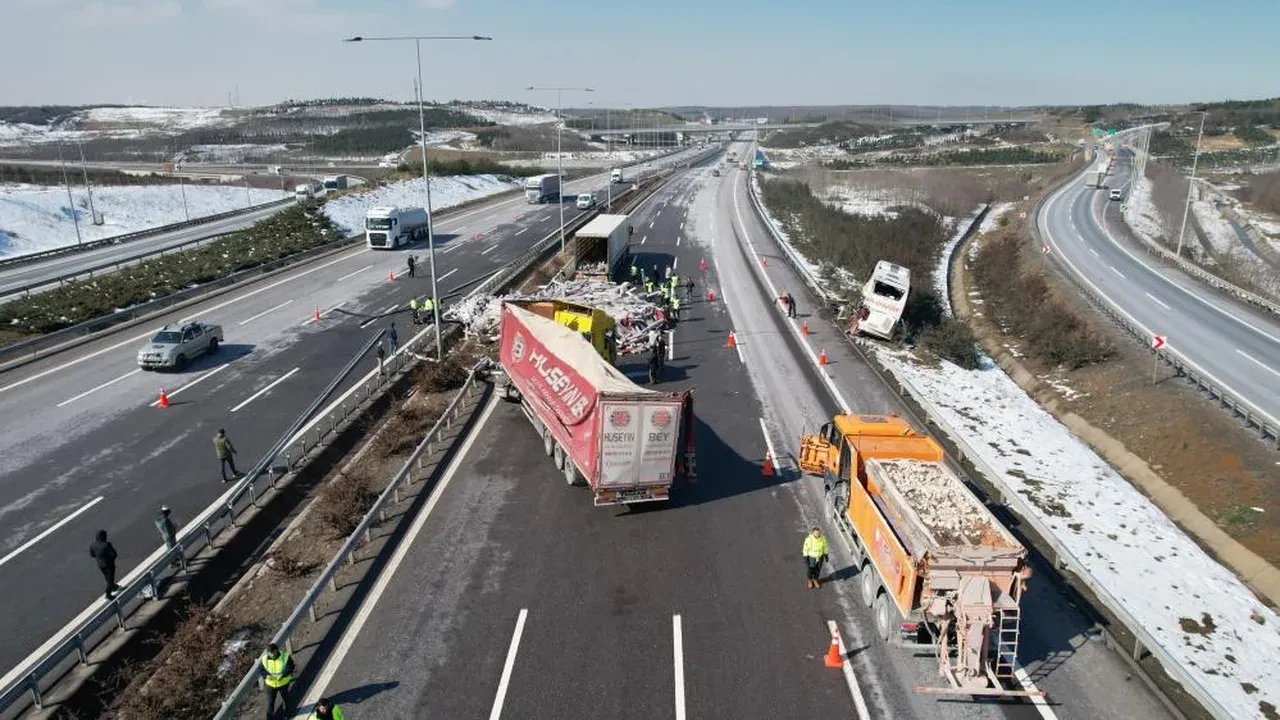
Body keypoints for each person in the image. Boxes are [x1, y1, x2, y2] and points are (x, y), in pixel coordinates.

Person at [258, 642, 295, 720]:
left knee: (286, 699)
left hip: (283, 683)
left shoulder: (285, 656)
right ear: (268, 652)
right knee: (270, 702)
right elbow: (261, 670)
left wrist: (282, 674)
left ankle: (288, 713)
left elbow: (291, 666)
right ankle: (270, 718)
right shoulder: (264, 659)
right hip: (270, 685)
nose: (272, 655)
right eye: (270, 653)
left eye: (273, 652)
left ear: (277, 650)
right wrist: (266, 675)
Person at [89, 530, 119, 599]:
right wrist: (111, 559)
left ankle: (113, 587)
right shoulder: (106, 545)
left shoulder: (93, 545)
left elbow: (92, 554)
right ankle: (108, 594)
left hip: (100, 565)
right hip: (109, 564)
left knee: (107, 577)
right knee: (110, 579)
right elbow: (114, 554)